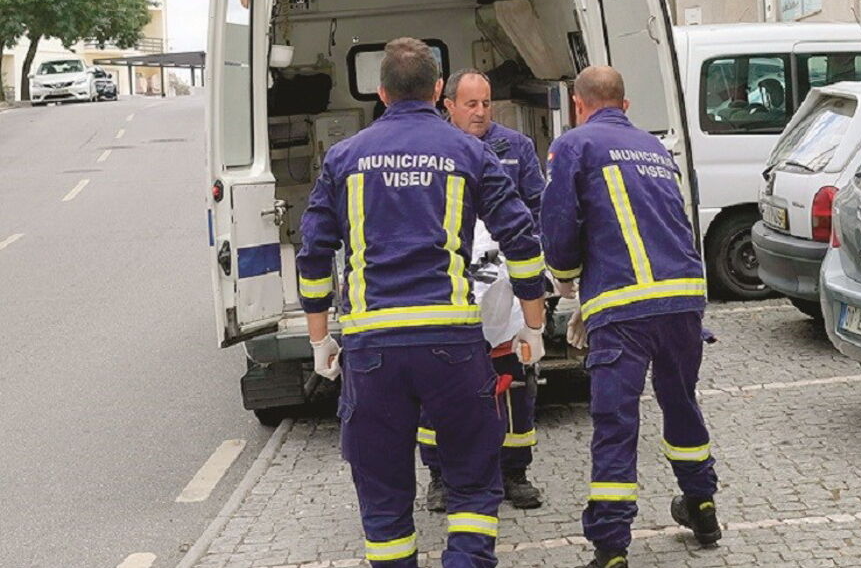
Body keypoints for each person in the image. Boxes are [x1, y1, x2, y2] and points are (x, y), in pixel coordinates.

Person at [296, 37, 547, 568]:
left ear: (382, 93)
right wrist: (533, 324)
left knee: (385, 504)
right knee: (475, 489)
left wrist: (320, 340)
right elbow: (521, 240)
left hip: (372, 350)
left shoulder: (344, 158)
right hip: (453, 344)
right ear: (438, 91)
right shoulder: (469, 152)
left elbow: (315, 253)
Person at [541, 66, 721, 568]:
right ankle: (702, 505)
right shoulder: (655, 148)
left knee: (616, 422)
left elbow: (558, 220)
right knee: (681, 404)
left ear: (579, 105)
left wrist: (566, 280)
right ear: (625, 104)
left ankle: (612, 544)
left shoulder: (575, 145)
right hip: (683, 300)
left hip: (623, 308)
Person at [418, 69, 547, 512]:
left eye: (487, 103)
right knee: (438, 388)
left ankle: (515, 472)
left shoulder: (515, 147)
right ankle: (440, 476)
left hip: (505, 286)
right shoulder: (429, 148)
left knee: (513, 381)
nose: (480, 112)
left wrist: (532, 268)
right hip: (448, 283)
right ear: (447, 104)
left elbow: (536, 209)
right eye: (471, 104)